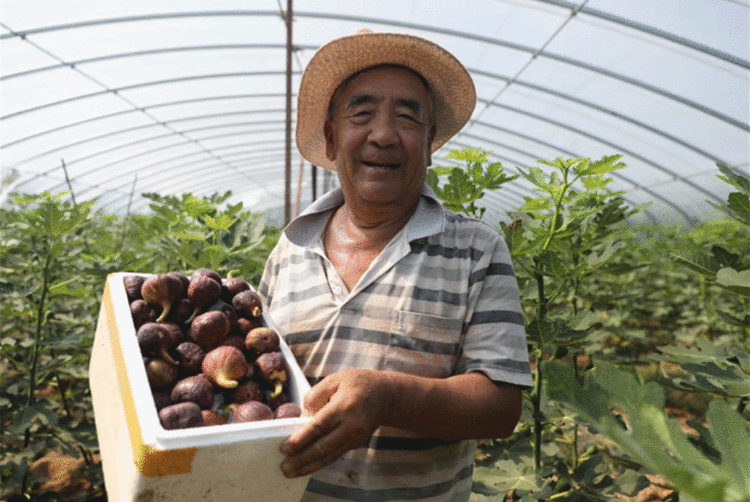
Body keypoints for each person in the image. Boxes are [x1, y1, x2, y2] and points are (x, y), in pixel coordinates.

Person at [257, 29, 533, 502]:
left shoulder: (476, 249)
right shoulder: (289, 249)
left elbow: (500, 405)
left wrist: (386, 396)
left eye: (407, 118)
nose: (383, 135)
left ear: (429, 144)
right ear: (330, 137)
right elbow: (260, 377)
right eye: (361, 115)